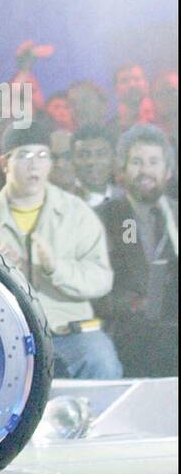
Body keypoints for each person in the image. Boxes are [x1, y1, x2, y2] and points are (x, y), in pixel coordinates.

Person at [0, 121, 121, 379]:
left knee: (102, 360)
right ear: (5, 164)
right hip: (5, 337)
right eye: (24, 155)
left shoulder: (77, 213)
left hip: (70, 333)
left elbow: (101, 280)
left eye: (42, 155)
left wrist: (56, 268)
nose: (34, 165)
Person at [96, 124, 177, 376]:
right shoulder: (104, 218)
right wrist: (131, 303)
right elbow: (94, 289)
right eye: (137, 162)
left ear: (168, 171)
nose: (146, 171)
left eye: (154, 162)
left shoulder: (175, 215)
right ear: (121, 171)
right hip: (127, 329)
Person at [71, 123, 123, 208]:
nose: (92, 161)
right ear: (72, 161)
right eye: (84, 155)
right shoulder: (60, 202)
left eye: (100, 154)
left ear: (113, 158)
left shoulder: (126, 201)